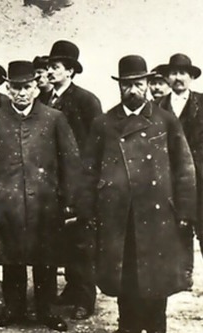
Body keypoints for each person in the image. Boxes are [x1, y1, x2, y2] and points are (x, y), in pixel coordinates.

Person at [0, 60, 81, 332]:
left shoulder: (54, 119)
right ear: (8, 90)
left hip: (45, 203)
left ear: (36, 88)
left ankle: (46, 310)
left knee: (45, 259)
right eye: (16, 88)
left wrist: (72, 200)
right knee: (11, 258)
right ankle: (13, 309)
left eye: (26, 87)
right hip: (7, 203)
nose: (22, 93)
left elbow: (70, 162)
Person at [80, 55, 196, 333]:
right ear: (119, 87)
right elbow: (88, 171)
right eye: (127, 84)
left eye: (138, 83)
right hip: (118, 216)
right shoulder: (104, 123)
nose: (133, 90)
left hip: (158, 216)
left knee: (156, 282)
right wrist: (86, 211)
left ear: (147, 84)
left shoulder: (165, 121)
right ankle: (128, 327)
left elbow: (184, 168)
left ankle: (156, 327)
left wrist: (186, 212)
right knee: (125, 278)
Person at [43, 40, 102, 319]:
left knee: (81, 241)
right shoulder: (44, 100)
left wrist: (88, 183)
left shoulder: (86, 100)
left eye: (56, 67)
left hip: (79, 182)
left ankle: (85, 299)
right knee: (60, 240)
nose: (50, 72)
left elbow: (97, 143)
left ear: (70, 72)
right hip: (52, 182)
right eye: (49, 67)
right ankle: (71, 288)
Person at [155, 53, 203, 265]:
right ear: (167, 78)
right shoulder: (156, 106)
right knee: (174, 229)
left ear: (191, 77)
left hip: (201, 179)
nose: (178, 78)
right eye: (173, 73)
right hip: (170, 179)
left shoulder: (202, 103)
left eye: (183, 73)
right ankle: (183, 274)